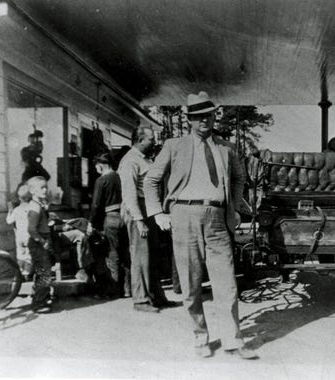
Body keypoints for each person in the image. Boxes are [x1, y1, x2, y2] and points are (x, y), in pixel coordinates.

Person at [144, 91, 257, 359]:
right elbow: (150, 181)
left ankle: (233, 340)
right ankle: (200, 338)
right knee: (191, 282)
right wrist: (157, 212)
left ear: (214, 116)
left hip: (218, 218)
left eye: (207, 115)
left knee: (227, 282)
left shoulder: (227, 148)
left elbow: (240, 179)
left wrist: (234, 207)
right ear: (189, 120)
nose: (203, 121)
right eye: (197, 117)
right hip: (184, 215)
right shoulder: (174, 146)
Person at [118, 126, 169, 312]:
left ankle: (156, 296)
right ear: (140, 140)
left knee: (152, 255)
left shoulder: (145, 160)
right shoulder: (130, 161)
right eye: (150, 139)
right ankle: (140, 300)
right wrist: (139, 220)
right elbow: (129, 194)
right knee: (140, 256)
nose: (154, 142)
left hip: (149, 209)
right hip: (137, 210)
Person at [87, 152, 128, 298]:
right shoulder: (120, 177)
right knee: (124, 253)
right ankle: (127, 288)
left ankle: (113, 290)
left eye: (97, 166)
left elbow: (96, 205)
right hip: (123, 216)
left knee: (111, 254)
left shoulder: (101, 180)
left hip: (109, 218)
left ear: (101, 165)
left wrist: (91, 223)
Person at [25, 176, 54, 313]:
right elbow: (31, 229)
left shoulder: (39, 204)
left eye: (46, 187)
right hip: (39, 243)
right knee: (44, 273)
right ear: (32, 190)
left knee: (43, 272)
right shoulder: (34, 207)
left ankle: (43, 297)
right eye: (41, 187)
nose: (45, 190)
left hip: (42, 240)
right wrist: (43, 242)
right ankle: (38, 303)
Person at [6, 184, 32, 278]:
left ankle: (20, 274)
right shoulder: (31, 208)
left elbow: (9, 221)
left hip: (19, 236)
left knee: (20, 255)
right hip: (29, 236)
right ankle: (27, 274)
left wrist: (10, 211)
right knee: (29, 255)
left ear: (19, 198)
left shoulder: (17, 210)